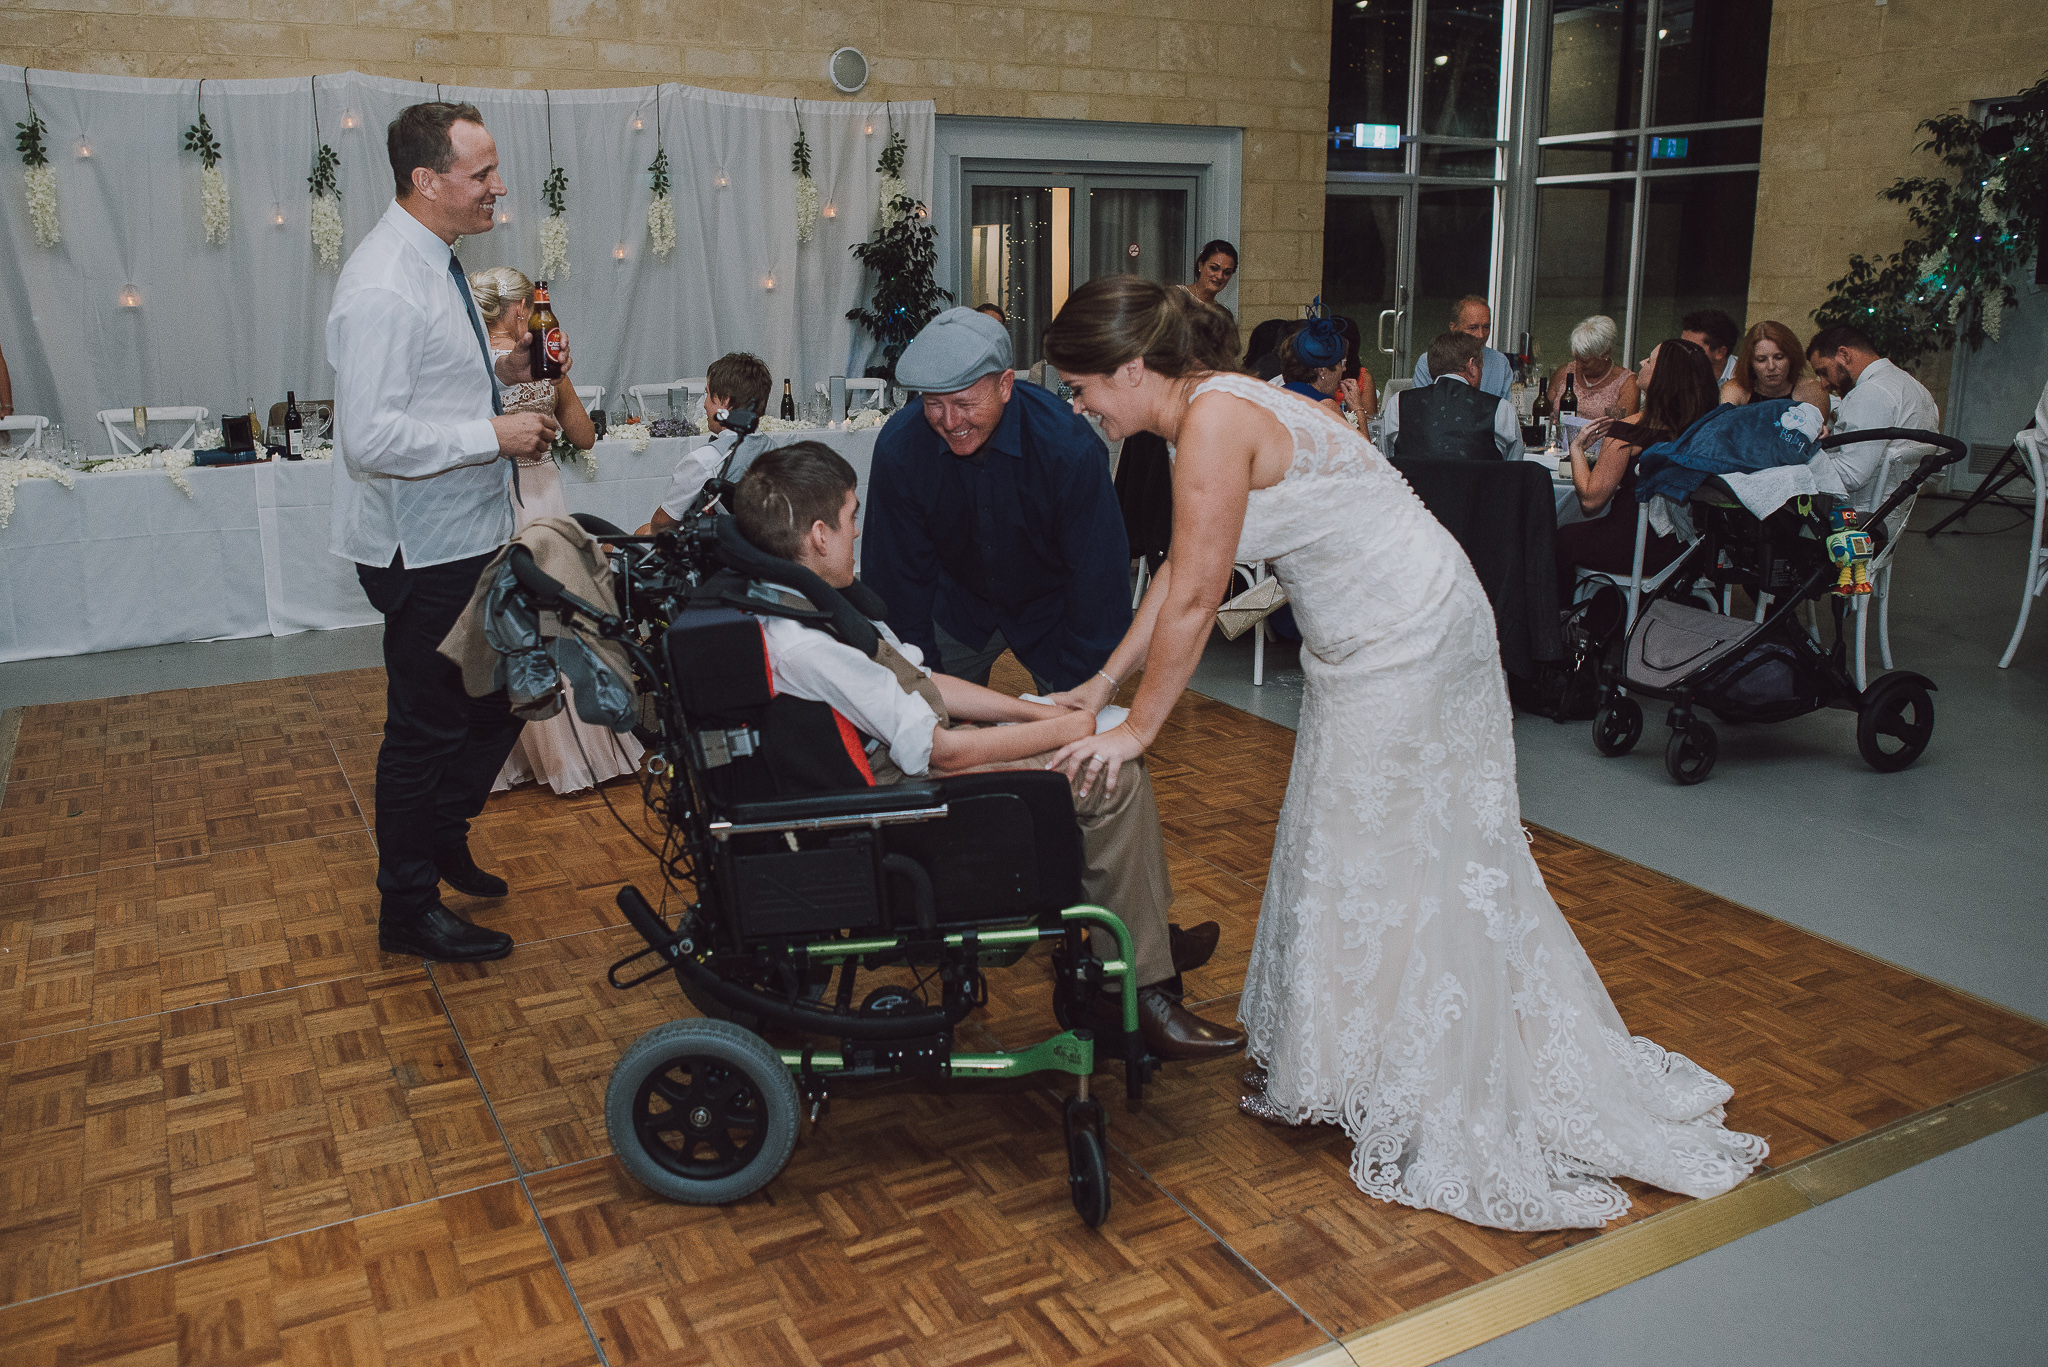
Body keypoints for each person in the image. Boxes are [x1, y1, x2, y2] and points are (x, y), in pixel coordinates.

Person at [1039, 276, 1766, 1231]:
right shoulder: (1211, 407)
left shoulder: (1214, 418)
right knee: (1355, 837)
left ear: (1135, 368)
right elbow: (1181, 564)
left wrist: (1137, 730)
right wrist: (1102, 684)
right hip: (1385, 632)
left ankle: (1431, 1077)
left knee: (1409, 851)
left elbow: (1194, 596)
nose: (1083, 405)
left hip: (1409, 635)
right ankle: (1361, 1059)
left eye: (1085, 386)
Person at [732, 441, 1242, 1060]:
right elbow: (941, 752)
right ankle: (1136, 987)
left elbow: (925, 680)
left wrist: (1041, 711)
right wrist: (1071, 731)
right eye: (850, 517)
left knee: (1102, 752)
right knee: (1113, 776)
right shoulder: (810, 646)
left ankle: (1138, 943)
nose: (857, 530)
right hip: (903, 796)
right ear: (817, 535)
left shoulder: (799, 602)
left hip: (903, 763)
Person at [327, 102, 559, 964]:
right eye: (482, 172)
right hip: (417, 549)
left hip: (467, 532)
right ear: (428, 182)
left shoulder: (437, 259)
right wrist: (490, 433)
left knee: (501, 697)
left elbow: (424, 386)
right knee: (424, 727)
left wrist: (494, 375)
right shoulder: (386, 281)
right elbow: (369, 439)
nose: (499, 186)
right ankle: (408, 904)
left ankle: (442, 834)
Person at [863, 306, 1131, 693]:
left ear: (1005, 384)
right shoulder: (901, 448)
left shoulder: (1068, 448)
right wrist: (923, 689)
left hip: (1055, 608)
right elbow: (896, 580)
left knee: (1084, 738)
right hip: (958, 606)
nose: (950, 422)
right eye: (934, 404)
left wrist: (1077, 699)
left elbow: (1098, 579)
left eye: (965, 404)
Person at [468, 265, 643, 796]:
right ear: (520, 309)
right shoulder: (545, 361)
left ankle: (500, 760)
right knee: (559, 615)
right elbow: (584, 436)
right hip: (543, 495)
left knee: (501, 622)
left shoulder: (472, 365)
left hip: (487, 500)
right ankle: (577, 752)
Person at [1554, 338, 1721, 596]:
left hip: (1629, 546)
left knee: (1559, 539)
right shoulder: (1704, 433)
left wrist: (1576, 448)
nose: (1642, 363)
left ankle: (1564, 621)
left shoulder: (1631, 431)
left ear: (1664, 378)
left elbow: (1590, 501)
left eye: (1650, 360)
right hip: (1684, 553)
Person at [1806, 323, 1940, 512]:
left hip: (1854, 515)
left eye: (1823, 372)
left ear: (1844, 355)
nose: (1823, 383)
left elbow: (1851, 475)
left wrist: (1792, 466)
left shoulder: (1870, 393)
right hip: (1888, 515)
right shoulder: (1913, 387)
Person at [640, 351, 775, 534]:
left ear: (725, 401)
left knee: (620, 541)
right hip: (764, 548)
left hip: (719, 550)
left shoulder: (705, 460)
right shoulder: (775, 451)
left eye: (708, 394)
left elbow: (662, 524)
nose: (704, 404)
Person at [1382, 331, 1524, 460]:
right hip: (1478, 488)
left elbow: (1387, 462)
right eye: (1481, 368)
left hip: (1414, 488)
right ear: (1472, 366)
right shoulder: (1501, 409)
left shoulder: (1398, 404)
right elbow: (1513, 470)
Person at [1411, 295, 1513, 397]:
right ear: (1454, 328)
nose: (1481, 335)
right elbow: (1421, 406)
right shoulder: (1428, 361)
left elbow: (1508, 408)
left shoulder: (1500, 362)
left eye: (1486, 327)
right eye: (1473, 328)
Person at [1722, 320, 1832, 415]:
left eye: (1779, 358)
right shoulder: (1735, 390)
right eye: (1761, 360)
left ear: (1791, 358)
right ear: (1750, 362)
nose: (1771, 366)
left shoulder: (1811, 391)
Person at [1547, 314, 1639, 420]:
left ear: (1605, 353)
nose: (1578, 365)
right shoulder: (1563, 373)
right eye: (1577, 358)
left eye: (1585, 361)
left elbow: (1623, 429)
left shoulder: (1627, 383)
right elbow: (1544, 411)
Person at [1276, 320, 1349, 421]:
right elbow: (1357, 437)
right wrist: (1359, 409)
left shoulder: (1277, 394)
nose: (1344, 369)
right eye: (1341, 363)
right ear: (1322, 370)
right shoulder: (1325, 405)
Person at [1680, 308, 1741, 384]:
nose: (1681, 352)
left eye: (1691, 348)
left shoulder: (1747, 379)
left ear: (1720, 352)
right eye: (1681, 345)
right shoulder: (1678, 372)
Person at [1184, 240, 1238, 308]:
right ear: (1200, 265)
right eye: (1214, 268)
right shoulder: (1174, 297)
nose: (1220, 276)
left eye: (1227, 272)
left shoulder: (1221, 314)